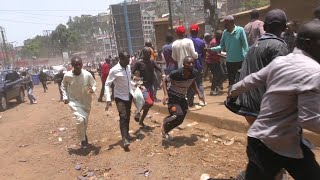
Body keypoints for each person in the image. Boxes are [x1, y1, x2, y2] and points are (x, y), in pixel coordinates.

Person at [228, 19, 320, 180]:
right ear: (311, 44)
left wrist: (233, 91)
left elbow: (252, 79)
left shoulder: (281, 61)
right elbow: (309, 119)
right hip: (272, 144)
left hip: (270, 141)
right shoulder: (314, 71)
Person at [161, 56, 204, 140]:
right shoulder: (176, 73)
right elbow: (164, 80)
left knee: (180, 119)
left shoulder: (194, 73)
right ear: (184, 64)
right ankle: (165, 122)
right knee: (177, 114)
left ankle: (165, 131)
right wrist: (165, 95)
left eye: (192, 63)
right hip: (172, 96)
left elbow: (192, 82)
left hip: (182, 97)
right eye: (188, 63)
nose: (191, 65)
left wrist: (199, 93)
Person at [61, 56, 96, 149]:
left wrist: (92, 89)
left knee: (85, 121)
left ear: (82, 64)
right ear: (72, 65)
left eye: (79, 64)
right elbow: (63, 85)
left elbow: (94, 84)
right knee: (80, 120)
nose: (78, 66)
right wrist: (65, 97)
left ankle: (83, 135)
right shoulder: (67, 75)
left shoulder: (87, 75)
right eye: (75, 65)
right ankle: (83, 140)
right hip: (74, 101)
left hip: (86, 101)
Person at [208, 15, 249, 86]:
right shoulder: (225, 33)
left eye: (225, 23)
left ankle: (241, 96)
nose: (223, 25)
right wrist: (211, 49)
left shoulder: (240, 30)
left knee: (241, 81)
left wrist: (245, 57)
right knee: (231, 81)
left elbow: (245, 46)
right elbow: (221, 46)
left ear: (230, 23)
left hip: (240, 61)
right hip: (230, 62)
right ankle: (232, 96)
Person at [105, 51, 133, 149]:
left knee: (128, 115)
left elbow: (129, 81)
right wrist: (108, 98)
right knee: (123, 115)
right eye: (126, 59)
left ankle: (127, 134)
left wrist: (136, 86)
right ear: (120, 59)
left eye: (129, 58)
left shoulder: (128, 67)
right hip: (119, 96)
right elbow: (107, 84)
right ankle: (124, 138)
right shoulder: (114, 70)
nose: (129, 60)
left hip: (129, 95)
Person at [132, 47, 163, 128]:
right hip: (142, 86)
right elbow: (131, 73)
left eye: (150, 53)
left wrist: (163, 74)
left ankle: (141, 121)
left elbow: (159, 68)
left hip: (150, 86)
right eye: (147, 53)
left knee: (149, 105)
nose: (149, 55)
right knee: (149, 103)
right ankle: (138, 111)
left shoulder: (152, 62)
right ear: (143, 53)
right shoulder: (139, 63)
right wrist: (135, 78)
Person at [187, 24, 206, 107]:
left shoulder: (187, 41)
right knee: (199, 83)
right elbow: (204, 54)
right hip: (198, 65)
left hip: (189, 65)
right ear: (197, 31)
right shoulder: (202, 42)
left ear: (190, 32)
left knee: (190, 84)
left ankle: (190, 102)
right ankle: (202, 101)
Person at [206, 30, 224, 96]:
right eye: (219, 35)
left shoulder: (220, 41)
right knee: (216, 75)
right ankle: (212, 90)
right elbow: (215, 53)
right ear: (216, 35)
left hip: (216, 60)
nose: (221, 36)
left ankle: (218, 87)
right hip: (211, 61)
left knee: (222, 74)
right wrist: (225, 56)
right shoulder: (214, 42)